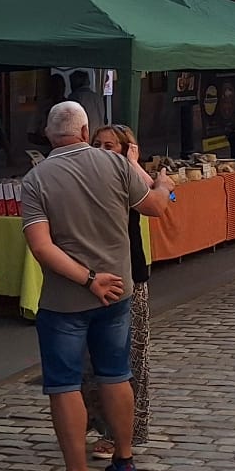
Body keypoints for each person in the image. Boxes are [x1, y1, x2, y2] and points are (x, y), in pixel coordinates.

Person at [21, 102, 171, 471]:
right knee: (115, 374)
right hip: (117, 290)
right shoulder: (114, 165)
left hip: (67, 298)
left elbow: (41, 247)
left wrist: (86, 279)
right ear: (84, 131)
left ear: (49, 137)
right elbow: (157, 207)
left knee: (64, 383)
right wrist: (160, 183)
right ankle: (124, 462)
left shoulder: (36, 179)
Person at [83, 124, 154, 451]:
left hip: (129, 276)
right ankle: (96, 424)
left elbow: (154, 197)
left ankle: (125, 431)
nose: (100, 150)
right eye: (96, 143)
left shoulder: (128, 176)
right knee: (90, 360)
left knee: (130, 358)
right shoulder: (86, 177)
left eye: (109, 145)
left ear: (127, 149)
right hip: (90, 276)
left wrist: (132, 161)